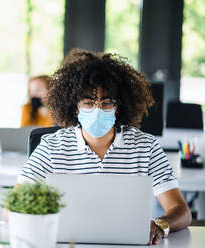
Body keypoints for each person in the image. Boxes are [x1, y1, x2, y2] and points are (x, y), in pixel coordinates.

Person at [17, 49, 191, 245]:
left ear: (119, 107)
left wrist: (160, 224)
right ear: (76, 107)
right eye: (89, 102)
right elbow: (15, 204)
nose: (97, 110)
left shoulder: (146, 147)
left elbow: (181, 211)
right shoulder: (51, 147)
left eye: (107, 103)